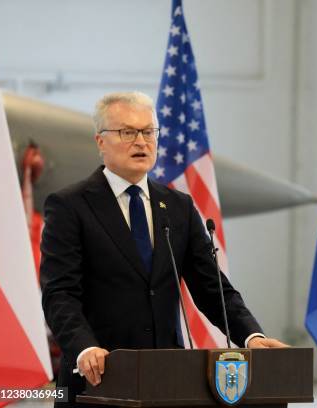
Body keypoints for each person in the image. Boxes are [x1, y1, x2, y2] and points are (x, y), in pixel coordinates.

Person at [40, 92, 287, 407]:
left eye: (148, 132)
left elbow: (213, 289)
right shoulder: (69, 206)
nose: (141, 141)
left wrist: (251, 336)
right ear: (100, 141)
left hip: (169, 380)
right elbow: (60, 293)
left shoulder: (177, 206)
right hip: (98, 380)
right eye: (127, 132)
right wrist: (85, 348)